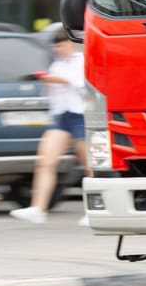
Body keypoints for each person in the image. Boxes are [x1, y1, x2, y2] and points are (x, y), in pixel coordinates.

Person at [9, 30, 88, 224]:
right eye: (55, 46)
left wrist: (52, 79)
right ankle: (38, 208)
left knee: (90, 166)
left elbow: (78, 85)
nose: (58, 49)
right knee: (45, 161)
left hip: (80, 115)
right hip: (61, 116)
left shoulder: (82, 61)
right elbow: (52, 93)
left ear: (71, 44)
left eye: (61, 45)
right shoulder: (56, 65)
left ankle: (95, 210)